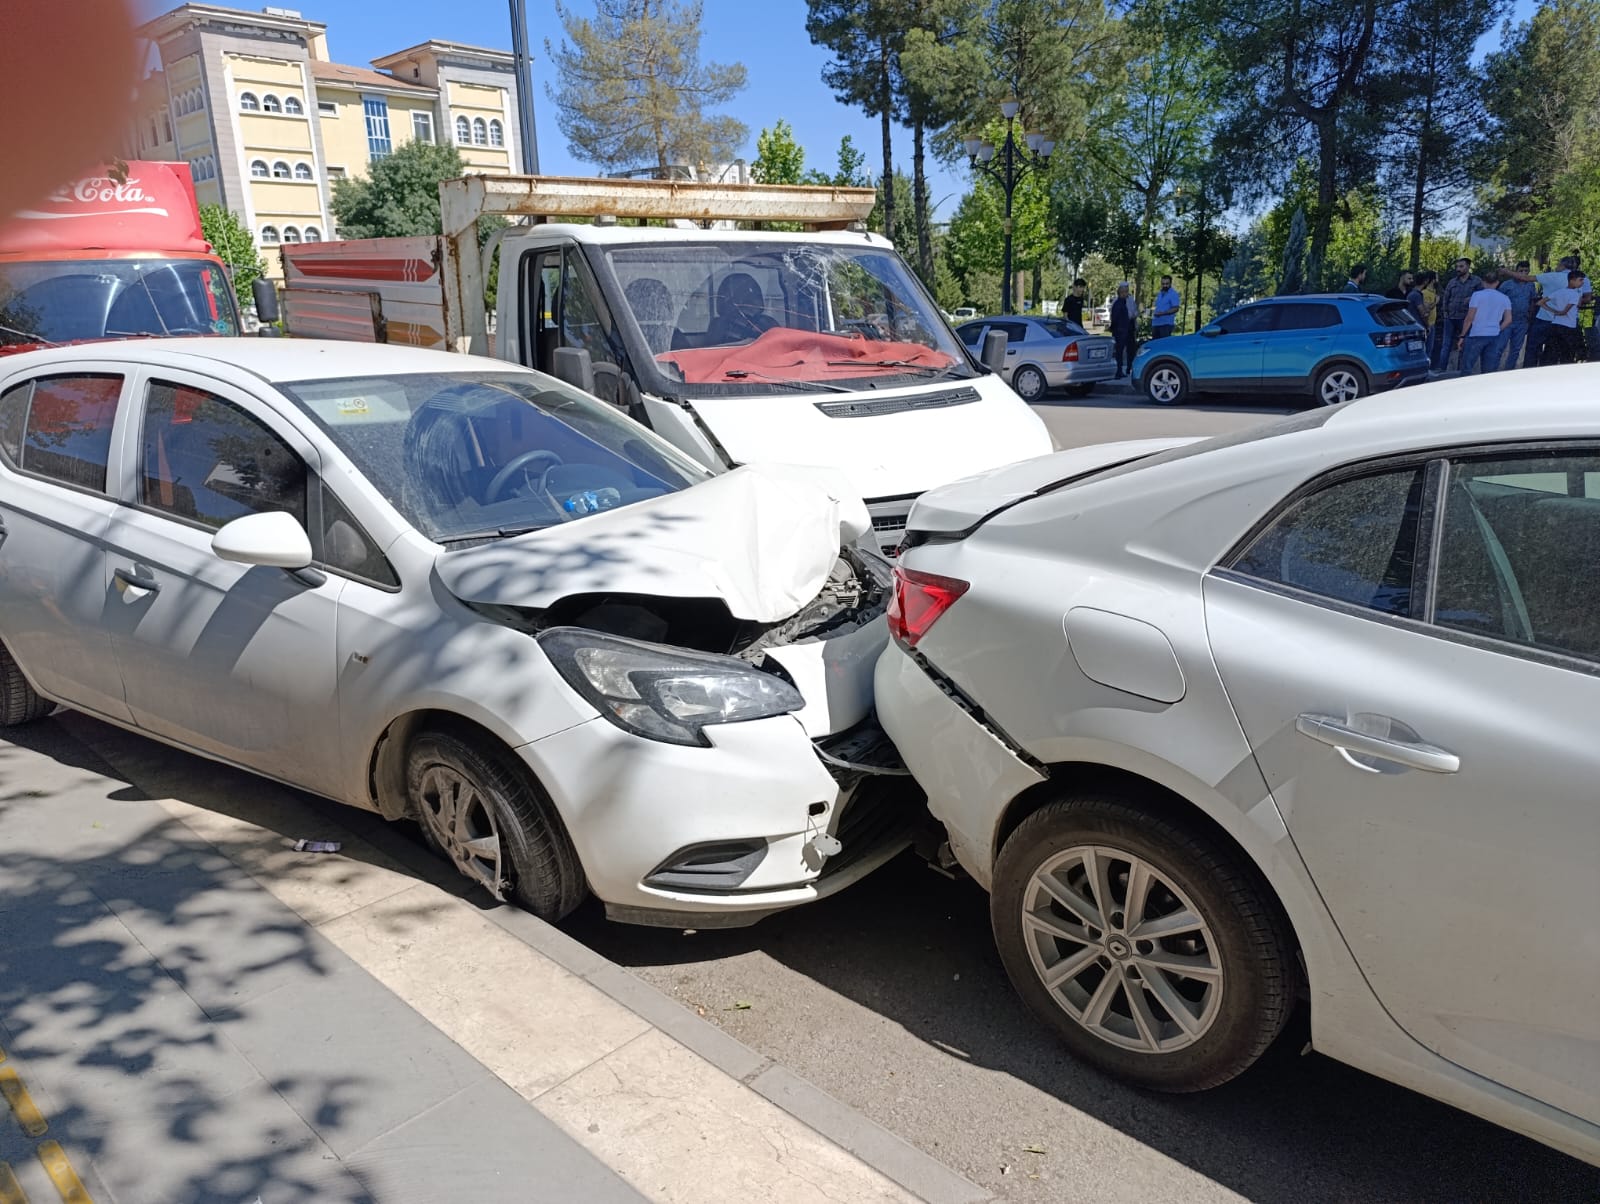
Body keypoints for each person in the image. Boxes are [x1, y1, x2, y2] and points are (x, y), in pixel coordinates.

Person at [1457, 269, 1511, 374]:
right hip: (1494, 335)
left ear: (1483, 282)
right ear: (1497, 283)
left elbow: (1470, 317)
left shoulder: (1477, 295)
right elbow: (1508, 320)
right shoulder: (1505, 298)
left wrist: (1462, 336)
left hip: (1476, 334)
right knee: (1489, 370)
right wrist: (1498, 329)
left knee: (1467, 367)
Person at [1436, 258, 1483, 372]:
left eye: (1461, 266)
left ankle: (1461, 369)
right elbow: (1446, 298)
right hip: (1451, 317)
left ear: (1467, 267)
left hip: (1466, 318)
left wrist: (1472, 299)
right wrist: (1445, 313)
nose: (1458, 269)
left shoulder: (1476, 281)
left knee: (1464, 344)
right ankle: (1441, 368)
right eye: (1457, 266)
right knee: (1446, 344)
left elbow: (1483, 297)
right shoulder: (1452, 282)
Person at [706, 272, 776, 344]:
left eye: (756, 296)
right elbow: (715, 351)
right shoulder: (719, 325)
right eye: (748, 297)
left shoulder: (768, 322)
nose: (754, 302)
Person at [1537, 268, 1587, 364]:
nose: (1582, 283)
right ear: (1572, 280)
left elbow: (1540, 302)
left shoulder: (1558, 292)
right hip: (1569, 327)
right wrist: (1560, 312)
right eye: (1580, 280)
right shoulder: (1575, 295)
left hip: (1556, 324)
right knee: (1567, 354)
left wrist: (1553, 311)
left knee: (1551, 354)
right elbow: (1566, 310)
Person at [1497, 260, 1537, 369]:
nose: (1523, 273)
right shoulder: (1506, 284)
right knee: (1499, 347)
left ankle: (1508, 371)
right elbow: (1498, 300)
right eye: (1521, 270)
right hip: (1506, 320)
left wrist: (1530, 314)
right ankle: (1492, 370)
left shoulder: (1531, 285)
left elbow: (1532, 300)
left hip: (1522, 321)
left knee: (1515, 349)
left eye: (1526, 271)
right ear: (1516, 271)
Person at [1109, 282, 1139, 377]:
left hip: (1129, 326)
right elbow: (1115, 317)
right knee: (1119, 350)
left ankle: (1129, 368)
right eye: (1123, 291)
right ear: (1120, 292)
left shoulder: (1130, 300)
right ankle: (1119, 370)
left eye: (1126, 291)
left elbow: (1134, 311)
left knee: (1131, 349)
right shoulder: (1117, 303)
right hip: (1120, 330)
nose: (1125, 293)